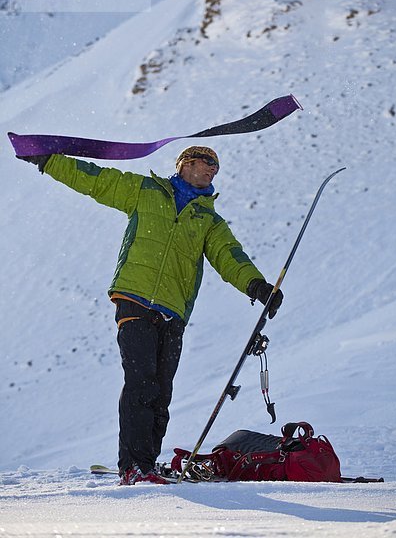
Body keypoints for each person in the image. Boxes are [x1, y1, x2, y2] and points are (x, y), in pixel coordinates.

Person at [17, 145, 283, 485]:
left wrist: (258, 287)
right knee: (141, 383)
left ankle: (146, 463)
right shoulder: (145, 191)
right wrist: (49, 160)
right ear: (186, 163)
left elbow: (230, 256)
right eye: (208, 162)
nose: (214, 170)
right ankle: (134, 467)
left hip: (174, 311)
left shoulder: (208, 220)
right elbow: (95, 180)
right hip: (136, 300)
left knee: (161, 393)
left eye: (216, 167)